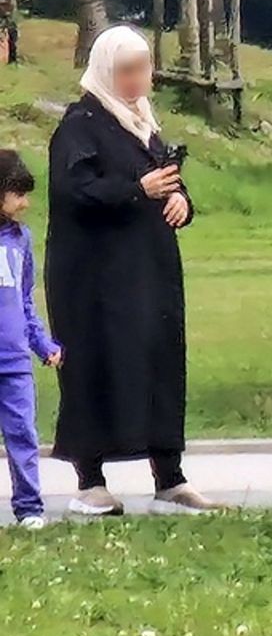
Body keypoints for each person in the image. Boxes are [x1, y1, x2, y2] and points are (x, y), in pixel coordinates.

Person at [47, 26, 217, 515]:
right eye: (126, 71)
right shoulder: (81, 125)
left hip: (150, 270)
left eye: (142, 69)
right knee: (98, 362)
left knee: (159, 360)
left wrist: (181, 199)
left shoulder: (142, 121)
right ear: (105, 72)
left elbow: (165, 179)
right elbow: (72, 191)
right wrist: (135, 189)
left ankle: (169, 474)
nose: (137, 80)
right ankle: (91, 479)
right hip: (95, 277)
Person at [0, 151, 58, 529]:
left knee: (23, 435)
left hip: (14, 361)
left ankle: (30, 508)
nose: (25, 203)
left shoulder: (21, 241)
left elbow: (25, 302)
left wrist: (43, 344)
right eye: (18, 194)